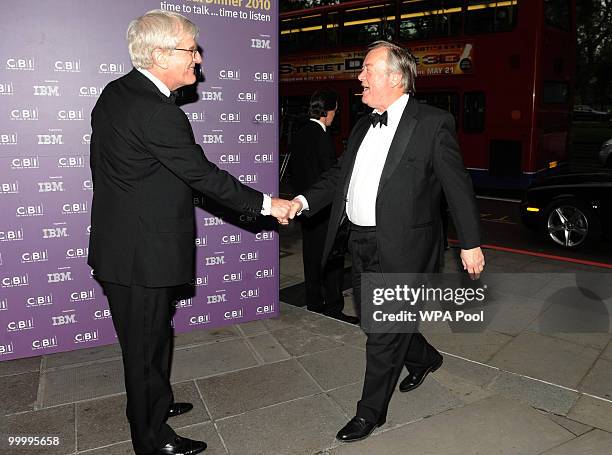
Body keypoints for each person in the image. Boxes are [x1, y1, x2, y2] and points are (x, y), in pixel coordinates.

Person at [88, 10, 291, 455]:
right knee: (145, 351)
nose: (198, 59)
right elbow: (202, 175)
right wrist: (266, 204)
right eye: (191, 49)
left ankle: (153, 405)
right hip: (141, 255)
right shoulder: (156, 112)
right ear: (160, 54)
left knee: (152, 340)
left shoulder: (117, 92)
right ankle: (152, 437)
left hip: (124, 247)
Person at [288, 41, 485, 442]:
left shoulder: (432, 122)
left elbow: (456, 186)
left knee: (381, 331)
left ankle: (370, 412)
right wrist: (302, 200)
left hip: (406, 247)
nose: (359, 77)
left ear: (395, 77)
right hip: (360, 244)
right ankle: (425, 357)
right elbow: (339, 177)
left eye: (367, 69)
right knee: (377, 322)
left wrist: (470, 242)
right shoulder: (363, 125)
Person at [289, 90, 358, 324]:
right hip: (325, 210)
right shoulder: (322, 136)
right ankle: (334, 308)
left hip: (307, 208)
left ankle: (314, 304)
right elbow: (331, 178)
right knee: (333, 259)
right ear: (328, 111)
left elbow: (294, 173)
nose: (335, 116)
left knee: (311, 258)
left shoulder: (299, 134)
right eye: (335, 111)